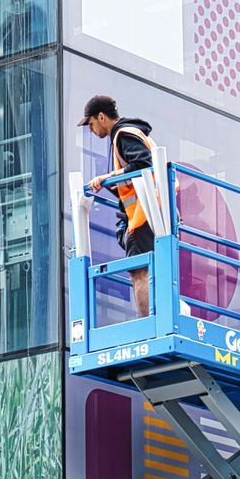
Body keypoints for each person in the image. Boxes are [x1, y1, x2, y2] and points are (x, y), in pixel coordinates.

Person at [80, 95, 157, 317]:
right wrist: (109, 184)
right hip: (154, 212)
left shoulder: (123, 135)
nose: (92, 130)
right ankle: (156, 318)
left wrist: (110, 176)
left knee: (139, 271)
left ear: (101, 117)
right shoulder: (130, 134)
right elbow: (133, 178)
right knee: (154, 270)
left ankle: (148, 326)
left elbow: (144, 164)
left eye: (91, 124)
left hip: (144, 214)